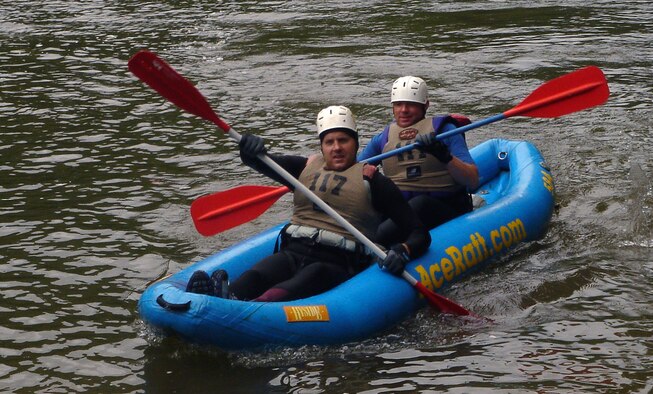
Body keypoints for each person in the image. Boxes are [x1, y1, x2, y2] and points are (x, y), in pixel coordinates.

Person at [186, 105, 431, 302]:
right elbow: (262, 162)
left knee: (295, 284)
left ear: (355, 144)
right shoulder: (303, 168)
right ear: (322, 147)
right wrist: (249, 150)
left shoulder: (374, 182)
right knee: (257, 274)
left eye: (343, 140)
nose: (336, 148)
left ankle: (246, 309)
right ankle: (220, 298)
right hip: (293, 251)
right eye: (329, 142)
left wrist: (402, 251)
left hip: (336, 263)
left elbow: (419, 232)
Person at [357, 76, 479, 247]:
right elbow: (353, 170)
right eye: (398, 104)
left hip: (446, 206)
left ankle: (377, 241)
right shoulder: (383, 138)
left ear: (425, 106)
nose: (404, 110)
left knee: (420, 205)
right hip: (403, 208)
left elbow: (472, 180)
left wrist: (444, 156)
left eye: (411, 104)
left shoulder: (445, 131)